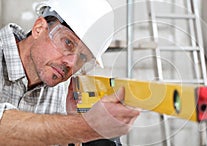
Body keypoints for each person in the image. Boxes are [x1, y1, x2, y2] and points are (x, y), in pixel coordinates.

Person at [0, 0, 140, 145]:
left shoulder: (67, 89)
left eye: (83, 57)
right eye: (68, 43)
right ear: (39, 28)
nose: (72, 63)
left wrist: (76, 138)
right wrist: (84, 126)